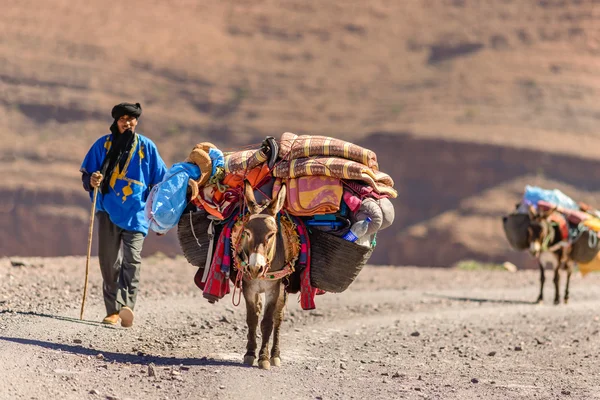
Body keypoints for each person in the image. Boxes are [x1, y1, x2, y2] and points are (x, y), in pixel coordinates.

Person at [80, 102, 167, 327]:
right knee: (109, 262)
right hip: (107, 210)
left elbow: (160, 184)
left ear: (136, 121)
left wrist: (159, 218)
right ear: (116, 121)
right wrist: (92, 180)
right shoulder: (103, 144)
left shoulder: (147, 147)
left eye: (131, 119)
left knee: (132, 260)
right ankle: (112, 311)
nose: (127, 123)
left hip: (137, 213)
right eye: (123, 119)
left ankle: (126, 306)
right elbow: (87, 176)